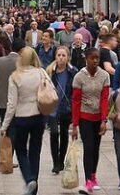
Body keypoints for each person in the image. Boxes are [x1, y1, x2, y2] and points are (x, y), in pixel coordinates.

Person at [0, 48, 46, 195]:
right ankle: (34, 187)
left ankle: (29, 179)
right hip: (39, 116)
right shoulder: (41, 72)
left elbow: (11, 104)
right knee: (35, 151)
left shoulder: (15, 76)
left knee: (20, 149)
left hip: (22, 117)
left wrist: (5, 124)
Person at [71, 47, 110, 193]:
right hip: (84, 116)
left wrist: (104, 120)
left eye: (97, 58)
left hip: (98, 116)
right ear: (86, 59)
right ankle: (88, 180)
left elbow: (105, 98)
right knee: (88, 148)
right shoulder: (79, 77)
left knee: (96, 147)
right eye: (92, 58)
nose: (95, 61)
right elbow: (75, 101)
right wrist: (75, 125)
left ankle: (93, 176)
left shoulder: (104, 75)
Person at [47, 46, 77, 175]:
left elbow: (75, 90)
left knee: (64, 134)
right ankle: (55, 162)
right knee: (54, 133)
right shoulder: (50, 71)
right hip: (52, 107)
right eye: (59, 55)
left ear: (68, 57)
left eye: (63, 55)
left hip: (66, 107)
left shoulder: (72, 72)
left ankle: (61, 160)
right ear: (55, 57)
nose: (61, 58)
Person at [0, 39, 23, 125]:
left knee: (4, 124)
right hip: (19, 99)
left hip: (2, 97)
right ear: (22, 50)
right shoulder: (23, 62)